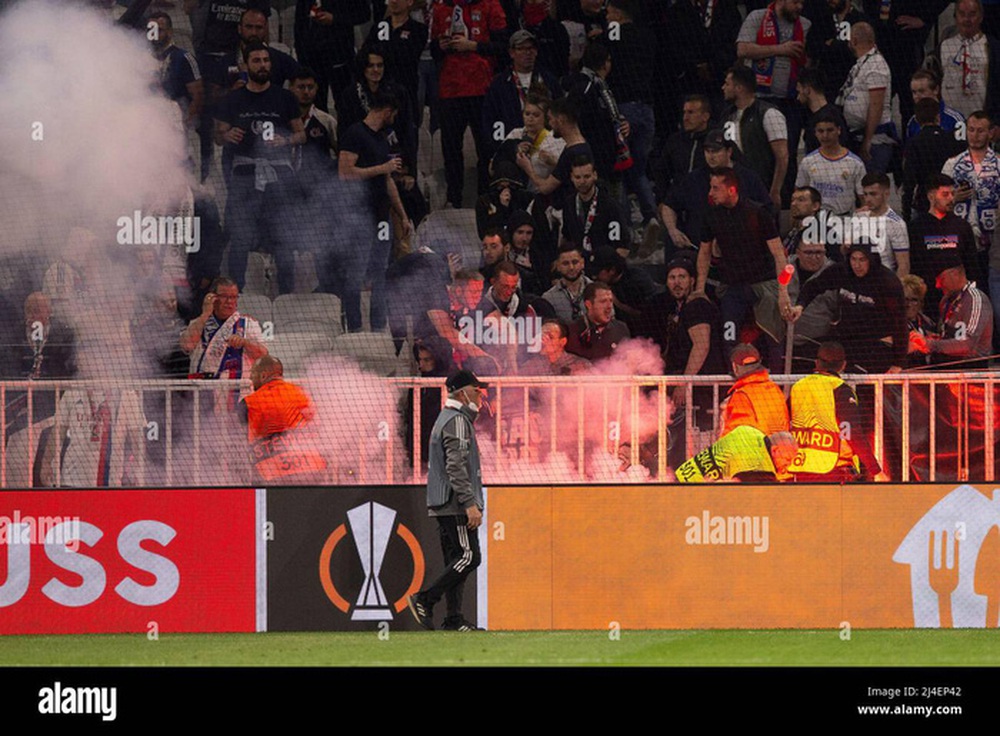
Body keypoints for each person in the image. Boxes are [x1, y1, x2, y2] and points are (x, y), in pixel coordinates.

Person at [213, 40, 305, 294]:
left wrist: (286, 140)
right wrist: (226, 134)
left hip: (279, 175)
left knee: (284, 237)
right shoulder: (233, 99)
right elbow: (217, 134)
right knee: (240, 239)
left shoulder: (285, 97)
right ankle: (236, 295)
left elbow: (301, 135)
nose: (263, 65)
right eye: (257, 61)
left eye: (266, 60)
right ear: (246, 64)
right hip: (245, 176)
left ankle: (287, 296)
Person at [408, 369, 488, 632]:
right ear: (463, 393)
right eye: (476, 389)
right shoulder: (456, 421)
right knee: (469, 556)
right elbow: (456, 467)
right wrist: (468, 503)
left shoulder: (451, 418)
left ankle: (453, 620)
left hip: (445, 501)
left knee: (457, 559)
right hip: (454, 503)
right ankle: (425, 599)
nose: (481, 393)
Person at [696, 167, 791, 366]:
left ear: (731, 190)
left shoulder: (757, 213)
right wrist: (699, 288)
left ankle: (775, 383)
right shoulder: (711, 215)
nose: (710, 193)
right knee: (728, 336)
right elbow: (704, 253)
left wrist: (783, 292)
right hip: (733, 287)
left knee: (774, 337)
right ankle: (734, 380)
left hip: (764, 283)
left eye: (715, 188)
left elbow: (779, 255)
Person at [338, 90, 412, 331]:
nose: (394, 118)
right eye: (394, 114)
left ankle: (379, 328)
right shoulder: (355, 133)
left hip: (382, 218)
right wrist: (382, 167)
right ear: (388, 111)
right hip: (359, 217)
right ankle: (355, 328)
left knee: (381, 272)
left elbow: (388, 180)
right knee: (356, 273)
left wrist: (402, 215)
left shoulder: (382, 139)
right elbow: (345, 172)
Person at [786, 242, 908, 374]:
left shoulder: (887, 281)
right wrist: (800, 305)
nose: (857, 265)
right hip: (847, 337)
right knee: (812, 352)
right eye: (853, 259)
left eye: (862, 260)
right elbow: (813, 286)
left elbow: (900, 322)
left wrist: (898, 363)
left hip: (876, 342)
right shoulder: (842, 271)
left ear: (871, 260)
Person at [432, 0, 508, 208]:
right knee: (450, 149)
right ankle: (453, 199)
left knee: (485, 148)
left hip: (481, 89)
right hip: (450, 90)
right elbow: (433, 53)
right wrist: (440, 46)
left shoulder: (490, 6)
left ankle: (486, 199)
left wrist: (474, 46)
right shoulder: (441, 8)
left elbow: (503, 47)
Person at [736, 0, 811, 201]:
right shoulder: (757, 17)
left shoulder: (805, 24)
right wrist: (780, 49)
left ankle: (785, 204)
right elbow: (742, 50)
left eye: (802, 3)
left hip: (790, 101)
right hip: (759, 99)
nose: (799, 7)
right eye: (795, 2)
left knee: (788, 155)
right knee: (758, 154)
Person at [788, 341, 882, 481]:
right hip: (834, 469)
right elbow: (851, 432)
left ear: (816, 363)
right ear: (843, 365)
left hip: (800, 468)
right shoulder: (840, 388)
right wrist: (874, 469)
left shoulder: (798, 387)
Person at [239, 355, 328, 482]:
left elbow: (237, 436)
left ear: (263, 376)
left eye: (253, 375)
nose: (251, 380)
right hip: (312, 469)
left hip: (271, 475)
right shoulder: (302, 394)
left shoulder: (249, 402)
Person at [180, 276, 268, 400]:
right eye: (224, 296)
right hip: (203, 393)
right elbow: (187, 345)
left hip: (237, 395)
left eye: (233, 297)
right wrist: (205, 314)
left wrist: (245, 343)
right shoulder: (198, 323)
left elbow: (263, 356)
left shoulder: (248, 323)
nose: (229, 301)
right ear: (213, 297)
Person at [908, 173, 981, 316]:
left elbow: (972, 265)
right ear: (931, 196)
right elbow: (913, 266)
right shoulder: (916, 227)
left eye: (953, 194)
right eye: (945, 194)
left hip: (957, 299)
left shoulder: (962, 226)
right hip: (927, 299)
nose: (951, 199)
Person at [481, 30, 560, 161]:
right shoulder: (499, 84)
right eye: (521, 49)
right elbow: (490, 119)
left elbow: (560, 112)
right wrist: (504, 148)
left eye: (530, 48)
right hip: (513, 147)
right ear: (511, 53)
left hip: (547, 145)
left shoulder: (549, 80)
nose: (527, 53)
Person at [721, 64, 789, 210]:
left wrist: (775, 190)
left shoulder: (769, 114)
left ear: (739, 88)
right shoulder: (727, 116)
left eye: (727, 83)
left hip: (762, 188)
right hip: (734, 189)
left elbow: (782, 156)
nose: (723, 87)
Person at [910, 260, 995, 369]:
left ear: (955, 274)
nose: (937, 285)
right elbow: (948, 336)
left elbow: (968, 343)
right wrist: (931, 339)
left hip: (971, 370)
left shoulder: (975, 299)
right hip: (945, 366)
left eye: (941, 279)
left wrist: (930, 344)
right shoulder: (946, 301)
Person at [837, 22, 895, 174]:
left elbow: (877, 105)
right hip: (857, 136)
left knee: (870, 187)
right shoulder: (862, 64)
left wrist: (867, 140)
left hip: (874, 142)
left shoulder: (876, 65)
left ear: (854, 41)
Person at [941, 110, 1000, 255]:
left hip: (993, 237)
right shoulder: (952, 163)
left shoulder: (998, 164)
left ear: (990, 133)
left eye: (980, 131)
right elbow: (937, 200)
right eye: (971, 130)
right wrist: (954, 198)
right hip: (959, 235)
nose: (975, 136)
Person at [901, 97, 965, 222]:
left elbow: (909, 182)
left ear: (917, 120)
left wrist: (906, 216)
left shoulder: (915, 143)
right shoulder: (951, 140)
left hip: (924, 202)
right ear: (938, 117)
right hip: (950, 201)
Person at [795, 112, 865, 215]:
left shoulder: (855, 163)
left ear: (839, 130)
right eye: (821, 131)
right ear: (815, 133)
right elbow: (798, 194)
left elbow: (863, 198)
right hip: (815, 220)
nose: (825, 135)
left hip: (844, 220)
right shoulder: (808, 161)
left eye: (830, 130)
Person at [674, 425, 798, 482]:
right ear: (775, 450)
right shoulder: (760, 468)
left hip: (679, 475)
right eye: (787, 460)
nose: (787, 467)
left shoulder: (748, 430)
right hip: (688, 494)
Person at [719, 343, 789, 438]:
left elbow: (735, 436)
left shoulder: (742, 395)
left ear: (734, 367)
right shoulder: (775, 389)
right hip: (779, 449)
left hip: (757, 450)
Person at [853, 172, 910, 276]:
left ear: (887, 194)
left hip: (882, 281)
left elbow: (904, 265)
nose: (868, 199)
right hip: (857, 279)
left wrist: (894, 290)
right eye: (865, 194)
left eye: (873, 194)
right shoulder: (858, 217)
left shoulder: (896, 223)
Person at [565, 280, 631, 361]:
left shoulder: (621, 328)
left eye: (610, 301)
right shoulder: (571, 331)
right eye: (603, 301)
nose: (609, 306)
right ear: (588, 304)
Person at [904, 69, 965, 141]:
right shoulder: (912, 122)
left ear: (936, 90)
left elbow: (963, 148)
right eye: (914, 92)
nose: (916, 96)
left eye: (921, 91)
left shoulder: (956, 120)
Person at [543, 243, 592, 323]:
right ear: (558, 266)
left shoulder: (598, 291)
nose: (571, 267)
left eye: (575, 262)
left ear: (582, 263)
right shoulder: (549, 298)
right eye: (565, 263)